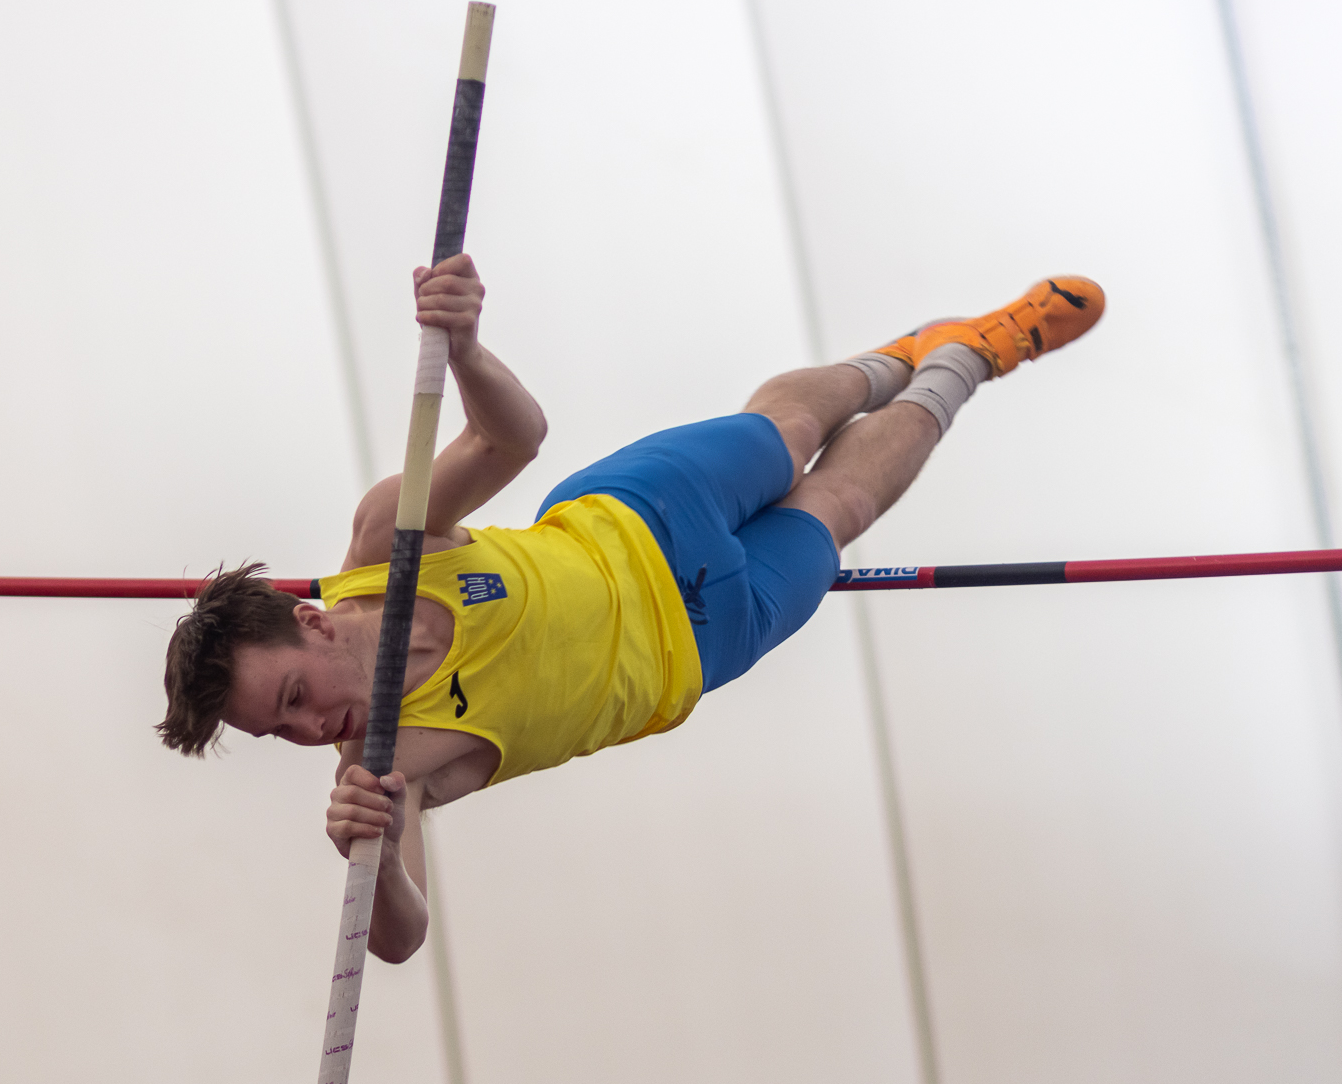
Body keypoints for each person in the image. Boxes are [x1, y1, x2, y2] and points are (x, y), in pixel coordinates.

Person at [157, 253, 1103, 963]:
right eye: (281, 732)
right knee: (841, 504)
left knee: (788, 429)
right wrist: (378, 855)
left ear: (311, 621)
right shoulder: (383, 770)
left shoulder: (384, 547)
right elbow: (400, 940)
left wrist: (470, 353)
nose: (310, 729)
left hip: (642, 513)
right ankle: (966, 362)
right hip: (701, 641)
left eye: (293, 697)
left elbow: (511, 439)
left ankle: (895, 360)